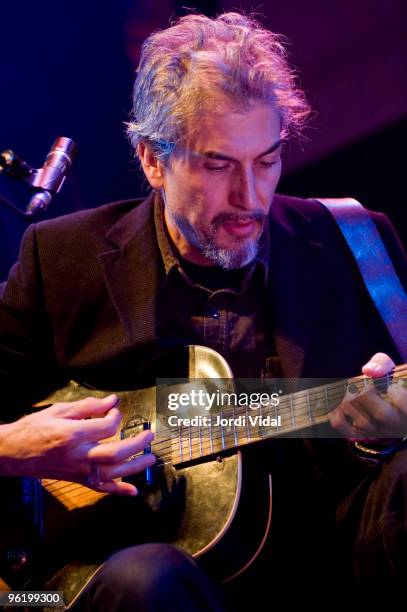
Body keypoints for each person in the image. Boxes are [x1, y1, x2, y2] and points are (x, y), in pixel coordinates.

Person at [0, 11, 406, 610]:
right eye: (218, 165)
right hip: (114, 584)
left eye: (266, 160)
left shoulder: (355, 242)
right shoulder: (62, 260)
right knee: (146, 581)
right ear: (152, 160)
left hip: (336, 565)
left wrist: (384, 431)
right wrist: (13, 447)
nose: (250, 196)